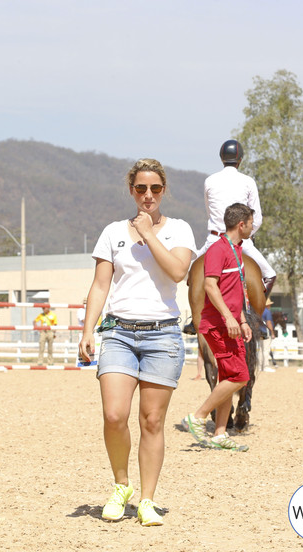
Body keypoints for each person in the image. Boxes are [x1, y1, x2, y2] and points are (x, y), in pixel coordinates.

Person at [78, 159, 196, 526]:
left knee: (152, 420)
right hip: (118, 332)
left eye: (155, 189)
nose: (148, 195)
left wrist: (148, 234)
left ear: (165, 191)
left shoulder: (179, 230)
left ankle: (147, 499)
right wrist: (87, 329)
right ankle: (121, 485)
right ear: (131, 190)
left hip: (162, 335)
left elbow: (178, 272)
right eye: (141, 188)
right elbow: (100, 285)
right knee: (114, 415)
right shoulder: (112, 232)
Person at [183, 203, 255, 453]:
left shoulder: (236, 250)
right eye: (251, 222)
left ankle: (220, 433)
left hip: (233, 325)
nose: (253, 227)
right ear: (241, 224)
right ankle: (199, 416)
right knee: (241, 376)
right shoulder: (217, 250)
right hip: (217, 326)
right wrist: (228, 318)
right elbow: (211, 286)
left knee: (229, 376)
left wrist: (243, 320)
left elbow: (236, 291)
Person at [197, 139, 276, 295]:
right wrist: (246, 234)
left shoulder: (209, 181)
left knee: (186, 272)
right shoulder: (248, 181)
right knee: (270, 275)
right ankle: (256, 315)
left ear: (221, 158)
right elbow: (257, 219)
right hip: (241, 242)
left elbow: (210, 213)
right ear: (240, 159)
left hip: (213, 240)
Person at [261, 298, 276, 372]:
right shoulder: (267, 312)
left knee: (260, 350)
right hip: (266, 332)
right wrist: (272, 332)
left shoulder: (258, 311)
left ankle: (260, 366)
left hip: (259, 332)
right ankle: (265, 366)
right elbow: (269, 323)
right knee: (265, 350)